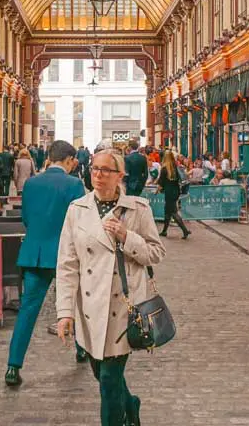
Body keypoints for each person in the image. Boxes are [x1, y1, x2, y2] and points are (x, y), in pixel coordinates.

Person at [56, 149, 165, 426]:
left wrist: (127, 237)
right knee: (102, 375)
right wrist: (64, 312)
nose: (98, 175)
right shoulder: (77, 210)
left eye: (106, 170)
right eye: (95, 169)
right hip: (90, 308)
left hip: (122, 307)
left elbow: (156, 253)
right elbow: (67, 265)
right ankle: (130, 403)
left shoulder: (138, 209)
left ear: (120, 176)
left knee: (108, 379)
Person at [4, 140, 85, 386]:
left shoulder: (31, 184)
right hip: (66, 256)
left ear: (49, 157)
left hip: (35, 254)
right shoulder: (75, 184)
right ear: (70, 160)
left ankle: (13, 366)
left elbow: (26, 217)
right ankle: (81, 349)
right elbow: (81, 222)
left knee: (28, 312)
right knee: (77, 305)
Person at [157, 149, 190, 239]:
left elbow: (160, 183)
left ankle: (185, 230)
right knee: (167, 211)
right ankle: (164, 231)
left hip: (169, 192)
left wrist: (156, 191)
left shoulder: (164, 169)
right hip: (175, 191)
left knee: (173, 212)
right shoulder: (175, 167)